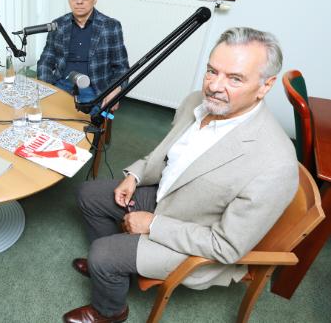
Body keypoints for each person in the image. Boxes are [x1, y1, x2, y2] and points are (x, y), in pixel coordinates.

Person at [63, 27, 299, 323]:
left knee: (103, 254)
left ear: (265, 86)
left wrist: (153, 225)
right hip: (171, 195)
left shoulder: (275, 164)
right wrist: (134, 176)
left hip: (195, 234)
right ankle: (113, 264)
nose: (214, 86)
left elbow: (226, 246)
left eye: (235, 78)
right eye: (212, 71)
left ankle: (110, 309)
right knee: (89, 195)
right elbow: (168, 155)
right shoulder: (195, 102)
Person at [37, 0, 129, 114]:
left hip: (94, 89)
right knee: (44, 117)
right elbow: (46, 60)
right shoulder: (58, 25)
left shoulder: (111, 26)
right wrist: (46, 88)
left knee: (82, 127)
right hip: (62, 84)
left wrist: (116, 90)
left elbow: (122, 68)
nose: (79, 1)